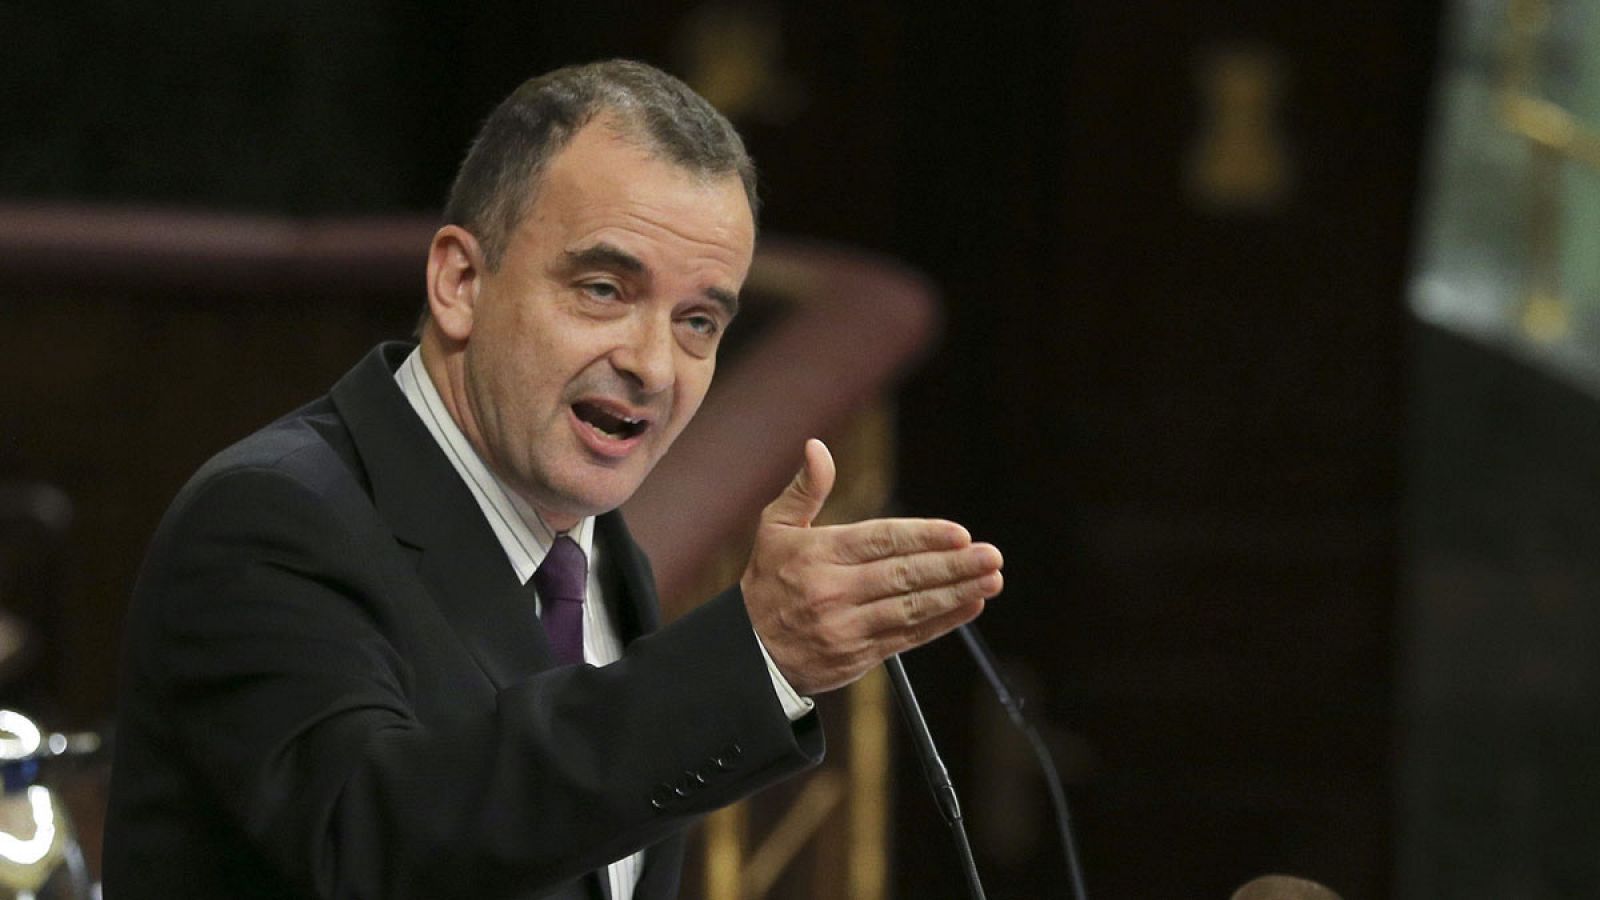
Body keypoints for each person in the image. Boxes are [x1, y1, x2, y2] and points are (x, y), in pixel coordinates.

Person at [102, 59, 1003, 900]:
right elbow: (373, 839)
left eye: (697, 321)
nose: (653, 364)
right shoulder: (272, 520)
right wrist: (753, 657)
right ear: (460, 281)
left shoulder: (600, 555)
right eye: (605, 289)